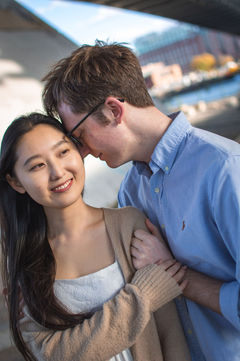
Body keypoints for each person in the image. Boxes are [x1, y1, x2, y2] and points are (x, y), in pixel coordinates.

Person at [41, 40, 240, 361]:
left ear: (114, 110)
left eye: (79, 136)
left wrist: (175, 276)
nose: (82, 151)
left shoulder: (226, 169)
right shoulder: (130, 192)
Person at [0, 112, 190, 361]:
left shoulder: (129, 224)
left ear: (79, 151)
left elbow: (170, 334)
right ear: (16, 182)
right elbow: (54, 355)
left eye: (63, 152)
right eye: (37, 166)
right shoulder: (21, 260)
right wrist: (144, 295)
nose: (57, 172)